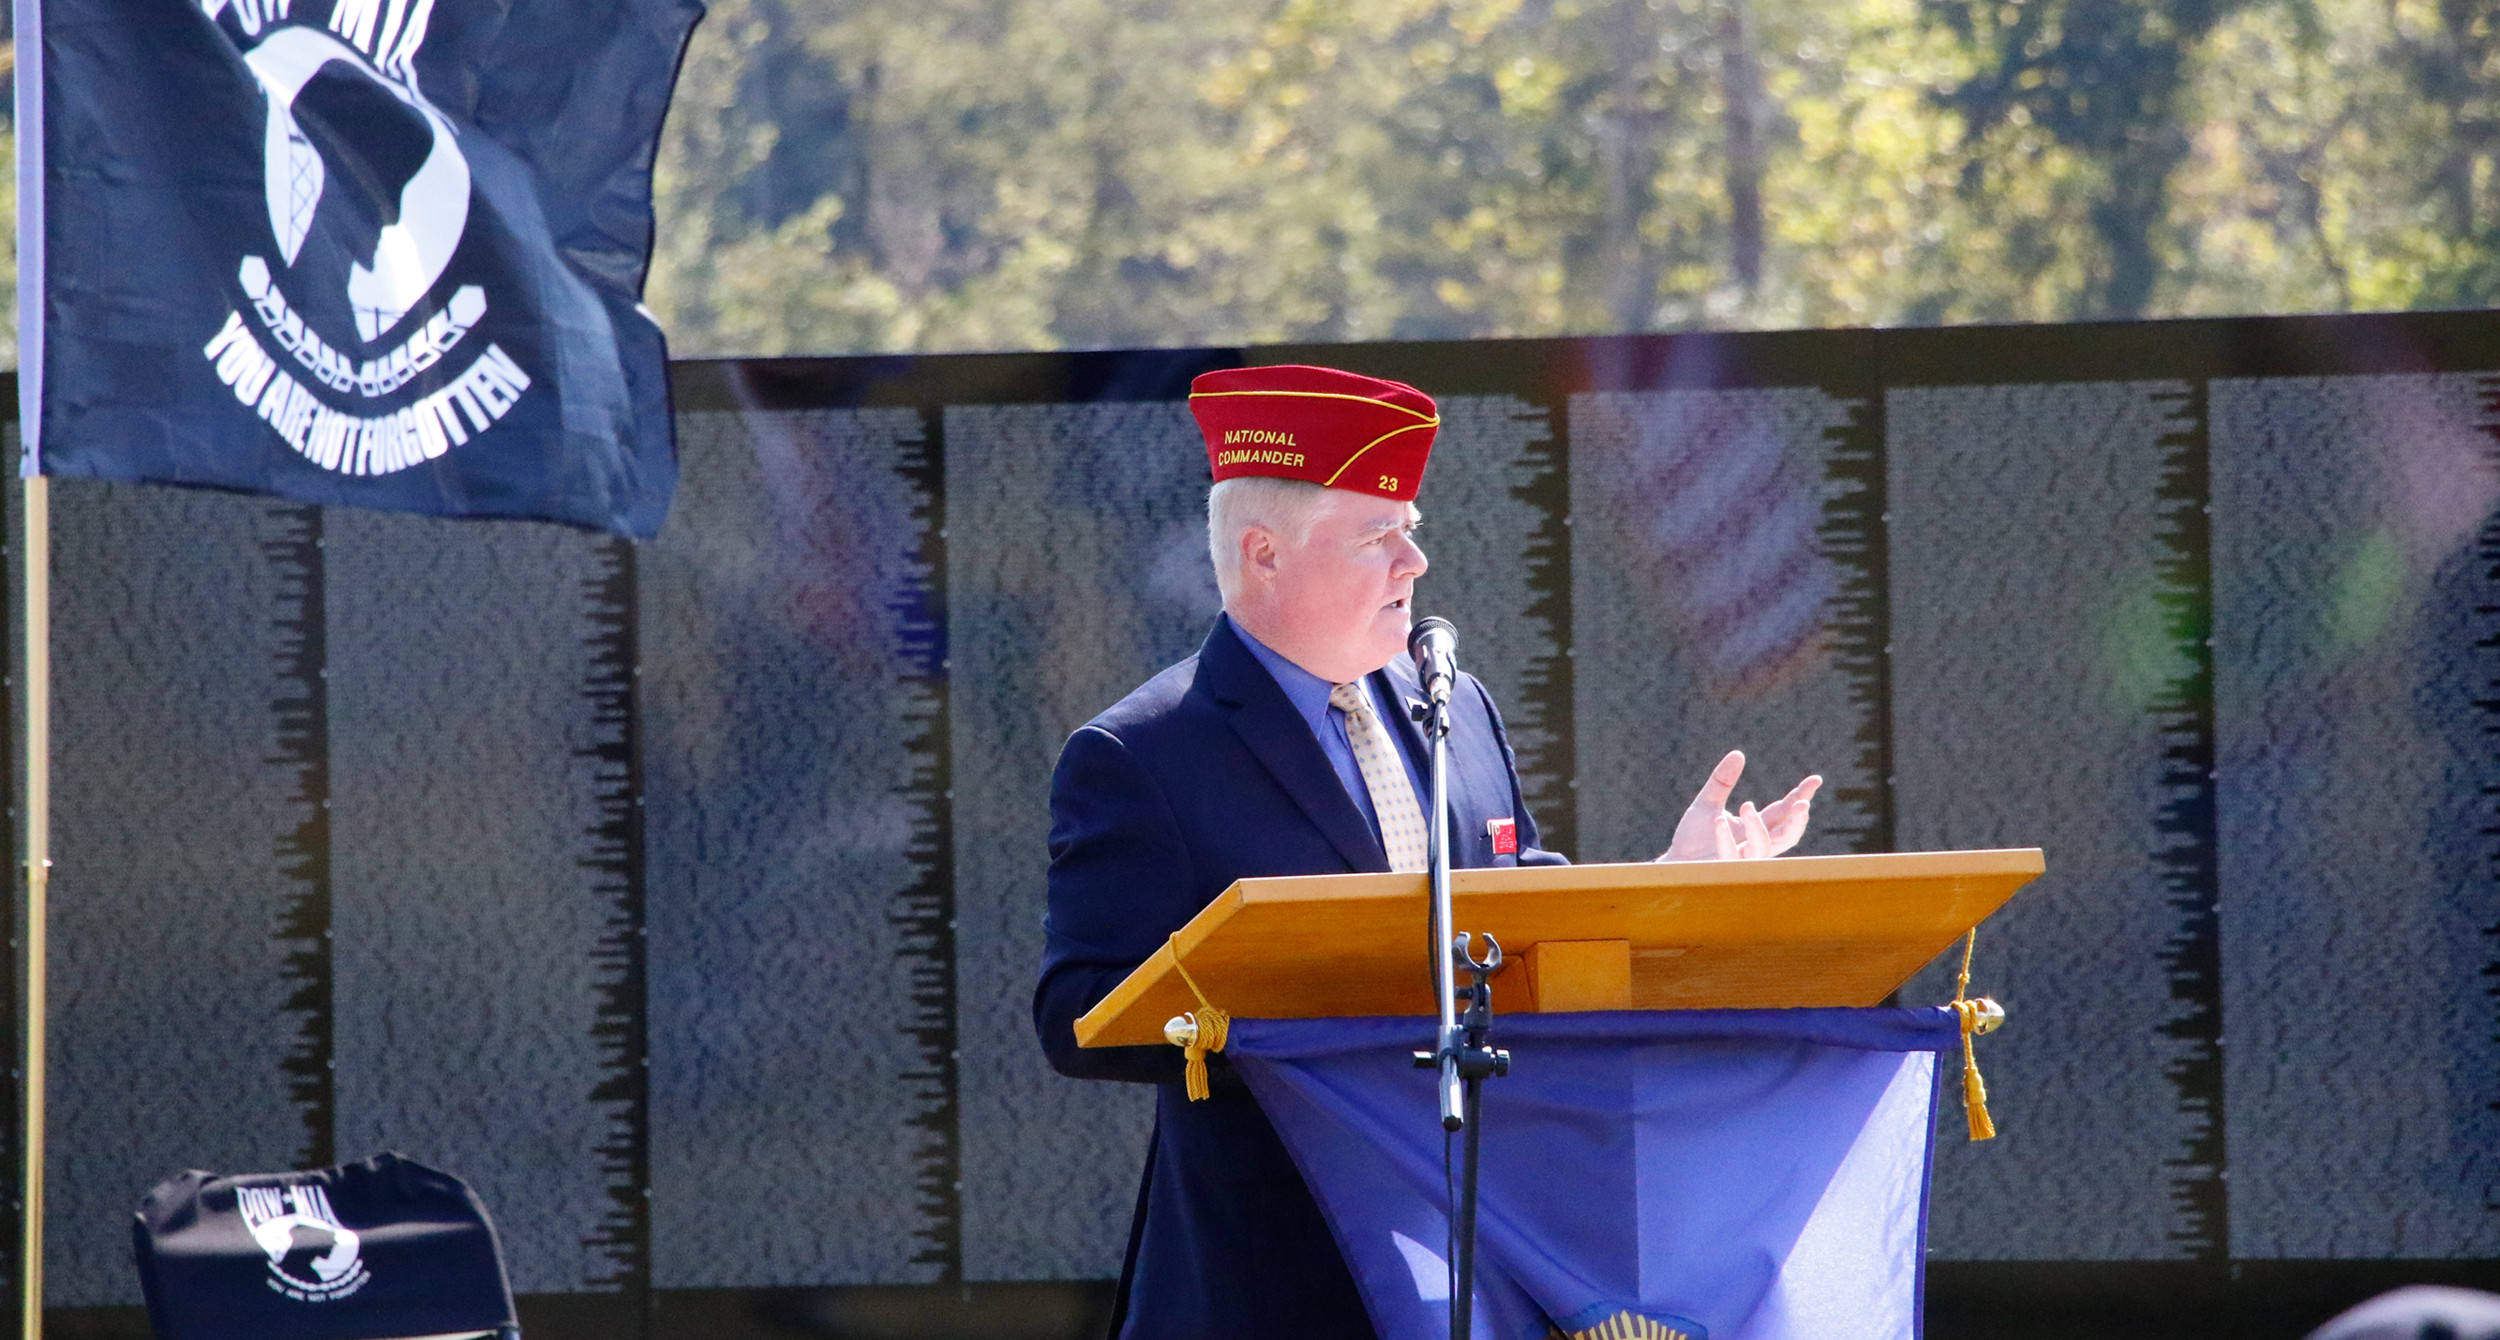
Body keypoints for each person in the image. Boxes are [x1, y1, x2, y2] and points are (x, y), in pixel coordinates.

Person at [1032, 363, 1821, 1339]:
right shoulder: (1143, 753)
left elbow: (1508, 901)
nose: (1413, 562)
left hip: (1484, 1250)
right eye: (1378, 536)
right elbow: (1078, 1014)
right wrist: (1301, 1022)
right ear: (1264, 552)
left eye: (1412, 530)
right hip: (1281, 1276)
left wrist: (1666, 885)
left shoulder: (1451, 702)